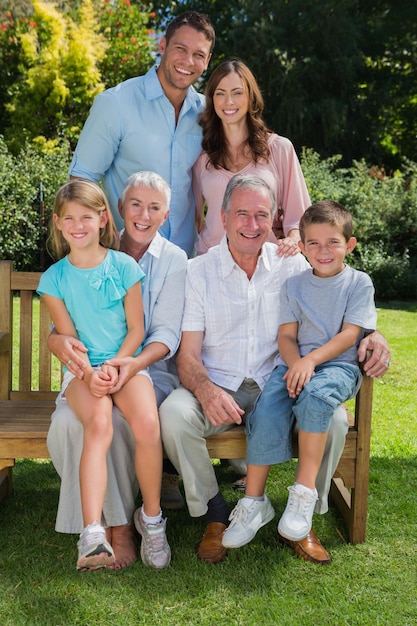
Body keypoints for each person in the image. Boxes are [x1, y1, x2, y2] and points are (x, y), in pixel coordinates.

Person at [159, 174, 390, 565]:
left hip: (280, 383)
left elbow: (336, 296)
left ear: (275, 219)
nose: (252, 224)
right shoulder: (198, 271)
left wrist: (375, 335)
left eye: (261, 215)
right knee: (174, 414)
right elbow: (187, 354)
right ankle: (216, 513)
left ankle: (303, 517)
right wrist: (206, 390)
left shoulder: (292, 263)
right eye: (243, 214)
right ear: (224, 215)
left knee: (334, 418)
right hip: (222, 384)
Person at [46, 172, 187, 569]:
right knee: (100, 424)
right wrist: (90, 373)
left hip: (128, 365)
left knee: (146, 422)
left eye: (87, 217)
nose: (78, 226)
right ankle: (93, 532)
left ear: (104, 218)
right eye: (69, 219)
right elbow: (68, 338)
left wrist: (119, 365)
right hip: (83, 371)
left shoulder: (126, 267)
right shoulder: (55, 278)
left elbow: (140, 331)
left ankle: (151, 520)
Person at [222, 200, 377, 558]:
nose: (323, 251)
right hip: (292, 365)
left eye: (333, 242)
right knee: (266, 409)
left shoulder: (358, 283)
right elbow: (286, 337)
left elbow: (349, 335)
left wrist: (309, 363)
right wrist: (295, 365)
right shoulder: (294, 285)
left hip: (337, 367)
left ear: (349, 245)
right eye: (314, 243)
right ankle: (254, 502)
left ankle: (303, 495)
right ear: (303, 246)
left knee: (317, 399)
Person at [69, 11, 215, 257]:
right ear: (162, 45)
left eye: (198, 55)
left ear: (208, 60)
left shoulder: (208, 114)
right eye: (180, 48)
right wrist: (103, 244)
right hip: (121, 263)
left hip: (182, 268)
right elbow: (81, 183)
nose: (188, 61)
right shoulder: (115, 104)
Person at [193, 59, 310, 256]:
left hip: (268, 264)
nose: (228, 101)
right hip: (213, 265)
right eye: (220, 93)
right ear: (212, 100)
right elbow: (194, 219)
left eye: (237, 93)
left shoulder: (279, 149)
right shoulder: (202, 158)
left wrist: (291, 240)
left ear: (250, 97)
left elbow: (300, 219)